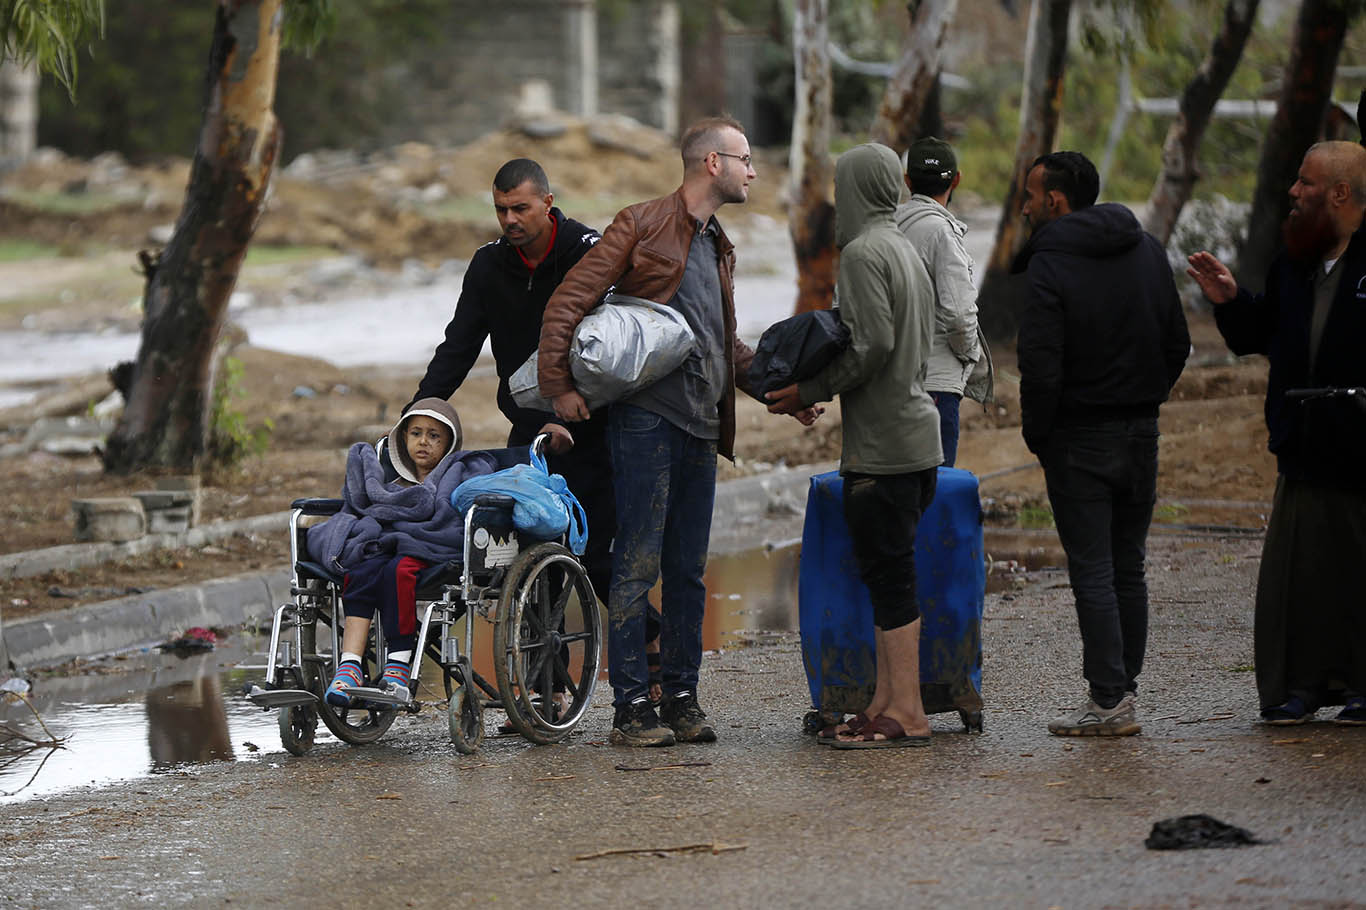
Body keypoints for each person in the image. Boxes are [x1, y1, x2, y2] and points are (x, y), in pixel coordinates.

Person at [537, 116, 819, 747]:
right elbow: (568, 301)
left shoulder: (718, 245)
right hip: (645, 424)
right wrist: (560, 388)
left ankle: (683, 700)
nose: (753, 170)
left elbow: (724, 344)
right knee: (636, 566)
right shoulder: (640, 223)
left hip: (700, 427)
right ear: (711, 164)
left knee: (689, 571)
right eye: (745, 158)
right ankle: (631, 707)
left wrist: (780, 394)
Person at [409, 159, 666, 704]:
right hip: (527, 429)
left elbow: (611, 342)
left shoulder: (585, 251)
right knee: (523, 553)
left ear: (547, 203)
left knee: (594, 555)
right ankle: (544, 690)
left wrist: (569, 404)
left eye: (520, 208)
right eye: (501, 209)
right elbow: (459, 346)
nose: (510, 219)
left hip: (591, 420)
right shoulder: (488, 266)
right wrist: (419, 412)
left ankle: (652, 653)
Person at [767, 143, 942, 748]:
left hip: (886, 448)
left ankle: (909, 713)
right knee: (891, 574)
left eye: (842, 189)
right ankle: (886, 703)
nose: (837, 203)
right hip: (918, 439)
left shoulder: (865, 253)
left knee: (891, 580)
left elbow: (869, 347)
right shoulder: (906, 248)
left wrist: (805, 389)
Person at [1187, 140, 1366, 726]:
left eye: (1306, 183)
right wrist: (1232, 300)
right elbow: (1266, 331)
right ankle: (1303, 686)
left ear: (1340, 193)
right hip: (1303, 447)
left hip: (1361, 449)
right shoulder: (1294, 261)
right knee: (1301, 581)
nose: (1294, 192)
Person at [1014, 151, 1190, 737]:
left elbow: (1041, 367)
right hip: (1140, 432)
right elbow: (1177, 342)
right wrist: (1145, 398)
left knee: (1093, 570)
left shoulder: (1049, 264)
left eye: (1032, 196)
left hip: (1077, 438)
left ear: (1056, 201)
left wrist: (1041, 434)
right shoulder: (1146, 249)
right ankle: (1122, 692)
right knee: (1127, 568)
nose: (1025, 206)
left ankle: (1109, 702)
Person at [307, 398, 481, 707]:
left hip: (432, 546)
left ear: (449, 442)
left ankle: (398, 664)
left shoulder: (458, 473)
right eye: (416, 433)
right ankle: (350, 666)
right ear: (403, 439)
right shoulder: (392, 484)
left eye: (434, 435)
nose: (423, 442)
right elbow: (370, 513)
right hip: (390, 544)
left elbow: (448, 520)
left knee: (397, 571)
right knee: (361, 570)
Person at [894, 136, 993, 466]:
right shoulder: (942, 234)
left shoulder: (887, 228)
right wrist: (969, 356)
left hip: (889, 383)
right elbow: (958, 313)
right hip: (935, 385)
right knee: (933, 489)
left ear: (907, 181)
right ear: (957, 179)